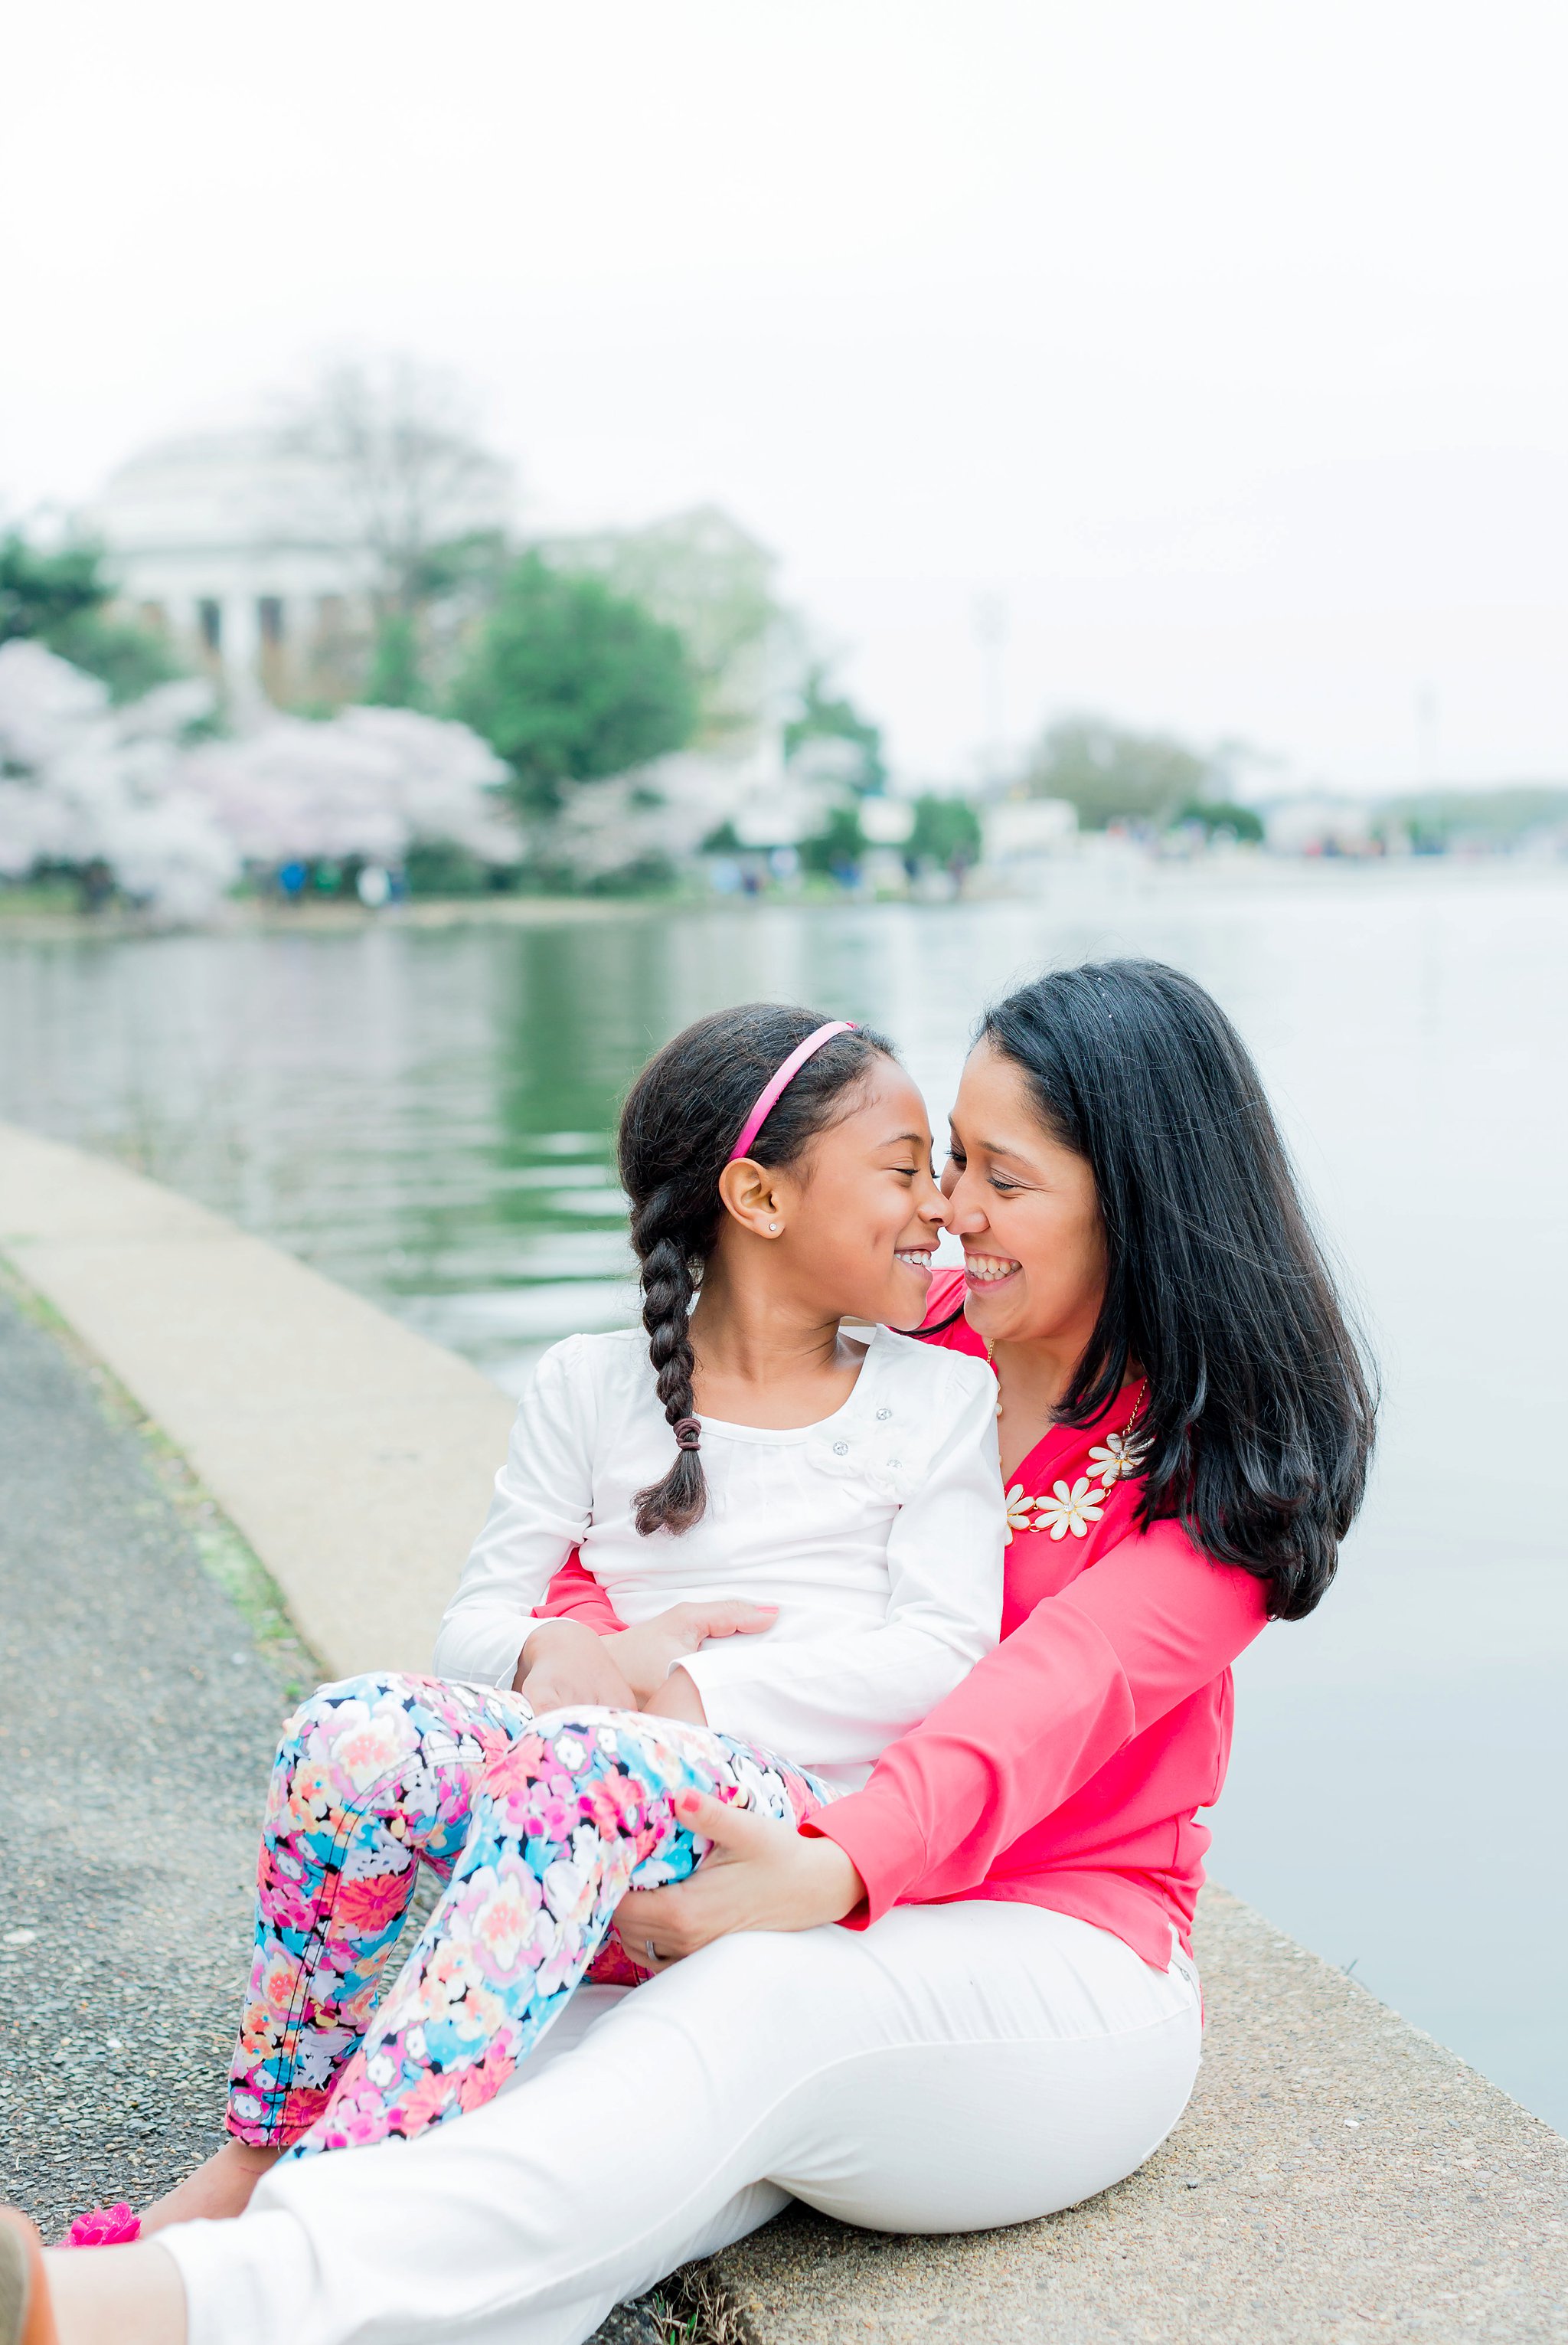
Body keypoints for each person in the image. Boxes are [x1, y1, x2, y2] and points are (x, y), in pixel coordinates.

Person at [7, 958, 1375, 2345]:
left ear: (1135, 1203)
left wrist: (834, 1867)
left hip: (1053, 1959)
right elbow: (659, 1541)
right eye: (948, 1159)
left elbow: (1035, 1700)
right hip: (761, 1856)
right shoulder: (899, 1336)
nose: (950, 1209)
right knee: (541, 2112)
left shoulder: (1219, 1488)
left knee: (747, 2016)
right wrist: (608, 1663)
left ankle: (118, 2308)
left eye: (1000, 1180)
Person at [104, 1004, 1003, 2229]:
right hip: (578, 1796)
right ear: (760, 1197)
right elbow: (478, 1613)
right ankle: (271, 2139)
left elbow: (946, 1653)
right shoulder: (590, 1384)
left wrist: (695, 1697)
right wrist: (553, 1646)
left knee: (584, 1760)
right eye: (903, 1172)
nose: (939, 1207)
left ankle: (329, 2213)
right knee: (348, 1732)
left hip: (771, 1823)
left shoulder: (938, 1396)